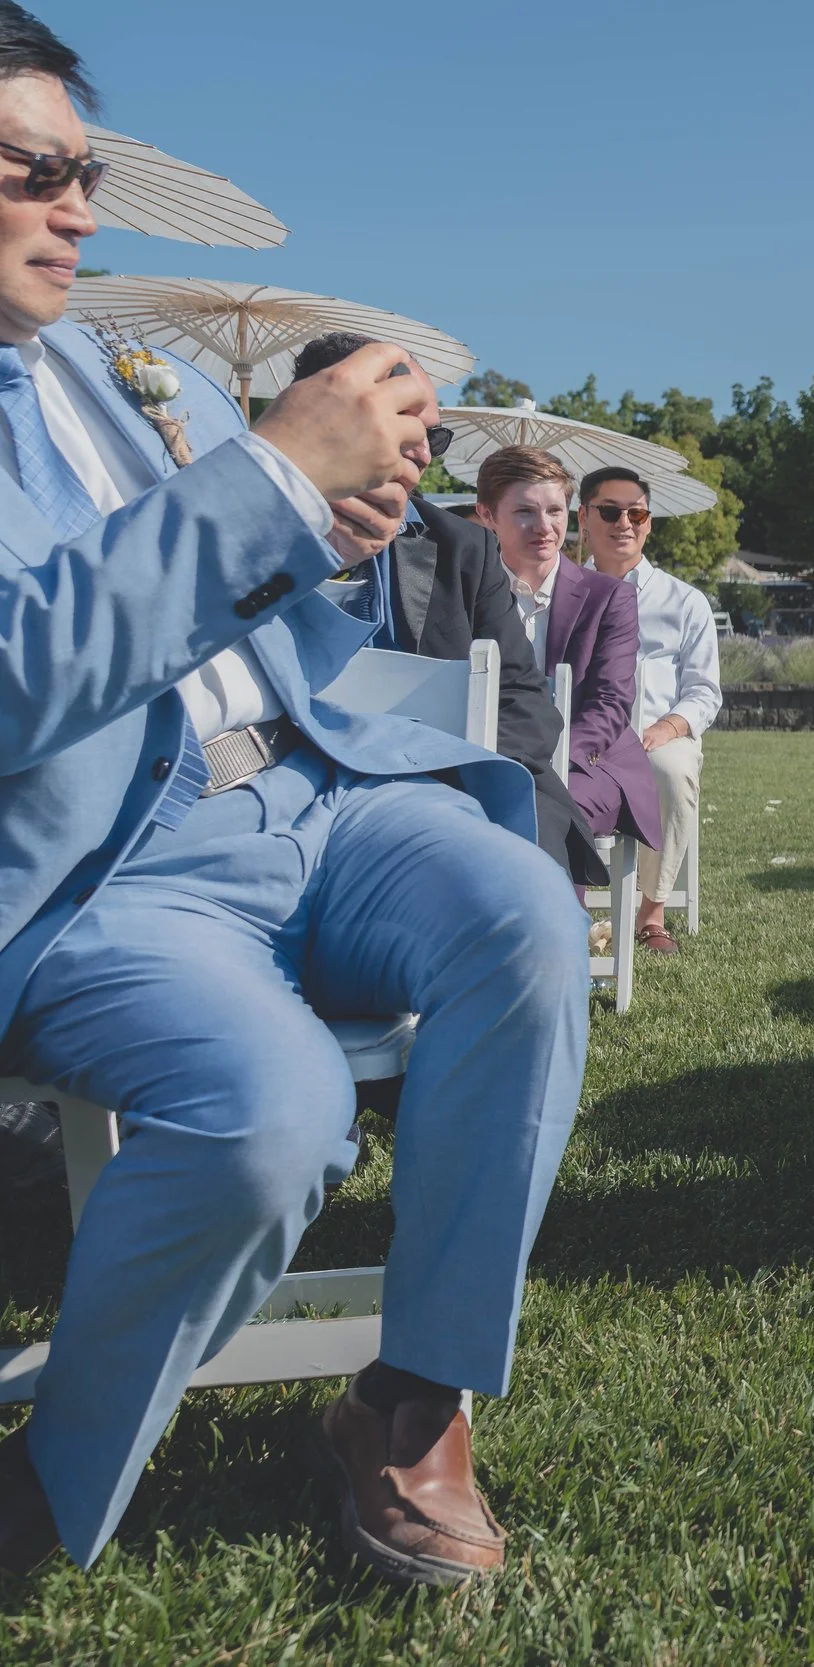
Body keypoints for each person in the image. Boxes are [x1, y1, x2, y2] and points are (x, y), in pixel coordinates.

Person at [0, 7, 585, 1581]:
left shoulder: (124, 375)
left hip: (318, 795)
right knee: (274, 1117)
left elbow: (236, 613)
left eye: (86, 167)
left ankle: (413, 1397)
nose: (80, 205)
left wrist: (323, 532)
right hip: (115, 872)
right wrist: (262, 478)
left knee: (524, 910)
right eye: (32, 167)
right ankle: (49, 1488)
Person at [288, 331, 602, 886]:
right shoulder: (243, 536)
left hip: (444, 789)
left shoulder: (464, 550)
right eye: (407, 421)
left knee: (523, 896)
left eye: (437, 434)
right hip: (281, 792)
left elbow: (523, 700)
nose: (426, 450)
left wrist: (453, 776)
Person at [474, 446, 659, 861]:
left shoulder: (610, 597)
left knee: (540, 811)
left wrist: (551, 759)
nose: (544, 527)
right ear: (487, 515)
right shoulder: (466, 595)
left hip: (587, 764)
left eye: (555, 511)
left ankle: (557, 925)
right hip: (489, 759)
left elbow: (610, 703)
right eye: (524, 511)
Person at [576, 466, 720, 956]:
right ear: (584, 518)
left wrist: (666, 727)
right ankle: (561, 903)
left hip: (655, 737)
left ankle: (650, 911)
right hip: (582, 738)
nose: (625, 523)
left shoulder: (685, 602)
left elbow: (704, 692)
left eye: (636, 513)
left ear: (650, 523)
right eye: (611, 511)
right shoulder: (564, 593)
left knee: (672, 768)